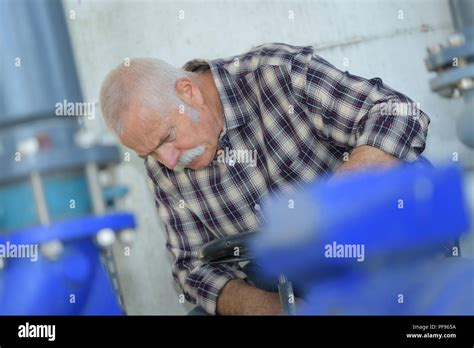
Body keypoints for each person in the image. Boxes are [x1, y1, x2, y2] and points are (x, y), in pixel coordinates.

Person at [99, 43, 430, 315]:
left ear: (188, 92)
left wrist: (334, 200)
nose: (168, 161)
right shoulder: (164, 161)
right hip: (279, 284)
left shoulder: (276, 74)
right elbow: (191, 267)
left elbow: (396, 112)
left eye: (166, 138)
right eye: (150, 154)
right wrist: (276, 310)